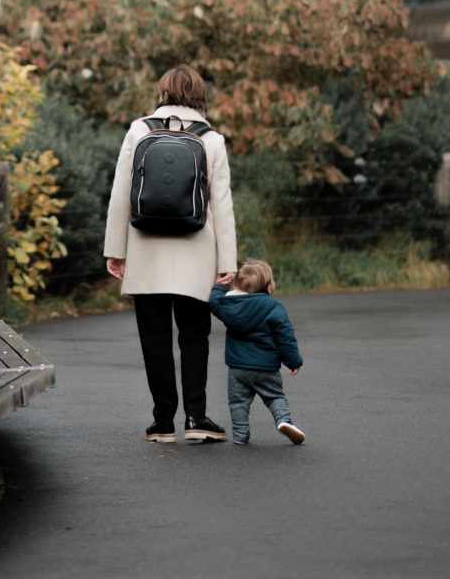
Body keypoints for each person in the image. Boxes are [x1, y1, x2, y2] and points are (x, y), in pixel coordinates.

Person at [103, 65, 237, 443]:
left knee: (154, 337)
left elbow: (120, 193)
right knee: (195, 336)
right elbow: (221, 205)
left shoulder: (138, 130)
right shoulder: (212, 140)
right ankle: (196, 420)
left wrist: (115, 250)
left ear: (163, 92)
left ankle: (162, 423)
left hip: (145, 249)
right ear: (199, 94)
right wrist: (227, 262)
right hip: (197, 252)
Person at [209, 260, 306, 446]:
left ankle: (240, 435)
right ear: (269, 287)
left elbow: (214, 302)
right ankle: (284, 421)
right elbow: (285, 337)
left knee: (238, 403)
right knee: (274, 397)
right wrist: (293, 361)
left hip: (237, 368)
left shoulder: (229, 305)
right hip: (266, 367)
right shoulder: (273, 307)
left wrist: (219, 286)